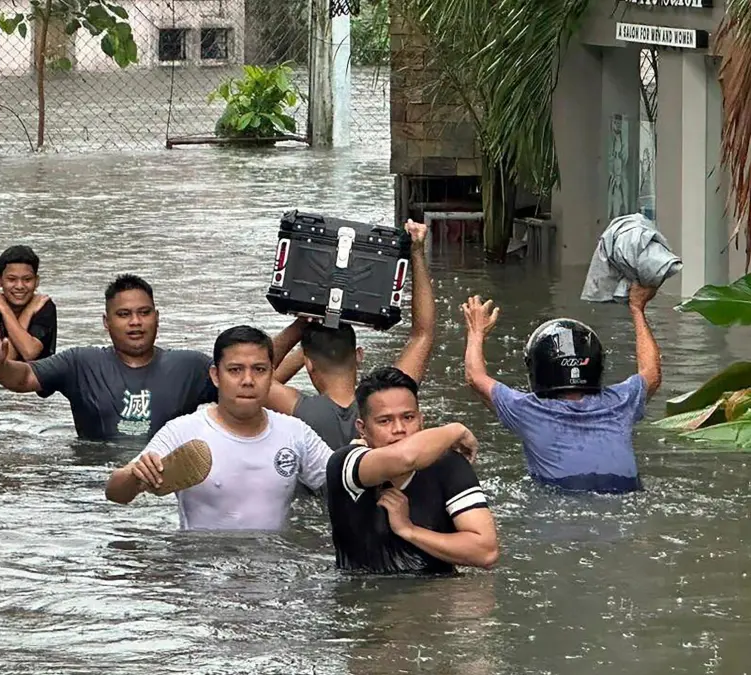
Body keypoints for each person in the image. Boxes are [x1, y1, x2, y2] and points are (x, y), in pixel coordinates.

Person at [104, 325, 332, 531]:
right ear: (215, 375)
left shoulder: (294, 433)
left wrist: (359, 456)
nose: (248, 380)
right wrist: (134, 476)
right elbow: (115, 494)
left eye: (259, 370)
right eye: (235, 370)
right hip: (202, 568)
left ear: (271, 374)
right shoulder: (182, 431)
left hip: (273, 568)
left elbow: (342, 480)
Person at [461, 286, 662, 494]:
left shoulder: (528, 410)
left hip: (564, 500)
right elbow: (652, 372)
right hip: (625, 495)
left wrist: (476, 332)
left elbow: (475, 378)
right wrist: (637, 308)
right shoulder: (621, 403)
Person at [0, 274, 216, 441]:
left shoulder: (191, 367)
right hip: (94, 485)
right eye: (124, 314)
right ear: (106, 322)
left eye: (144, 313)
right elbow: (23, 378)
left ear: (157, 317)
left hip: (164, 482)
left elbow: (244, 400)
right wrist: (1, 366)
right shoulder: (81, 363)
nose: (135, 322)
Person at [266, 219, 435, 450]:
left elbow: (256, 376)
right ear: (358, 355)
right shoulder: (388, 404)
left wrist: (301, 325)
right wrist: (416, 252)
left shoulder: (301, 412)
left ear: (308, 364)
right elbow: (422, 334)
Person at [326, 366, 499, 575]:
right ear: (362, 428)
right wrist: (455, 430)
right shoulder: (346, 463)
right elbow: (405, 458)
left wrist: (409, 530)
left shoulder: (449, 465)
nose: (399, 429)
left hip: (437, 596)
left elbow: (486, 552)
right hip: (365, 599)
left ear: (421, 420)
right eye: (385, 421)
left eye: (408, 417)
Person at [0, 245, 57, 362]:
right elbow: (4, 360)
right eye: (11, 279)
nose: (19, 286)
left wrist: (9, 311)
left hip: (38, 376)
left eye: (27, 280)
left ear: (37, 281)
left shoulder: (44, 305)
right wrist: (9, 310)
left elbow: (30, 352)